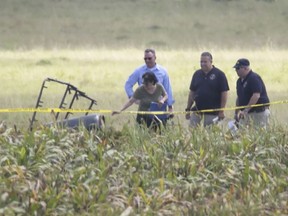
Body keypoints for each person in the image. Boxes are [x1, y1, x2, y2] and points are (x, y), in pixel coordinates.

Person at [185, 52, 229, 127]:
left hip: (213, 111)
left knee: (210, 133)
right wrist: (188, 108)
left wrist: (221, 110)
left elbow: (224, 93)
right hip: (198, 109)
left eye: (205, 62)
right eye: (201, 61)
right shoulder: (197, 74)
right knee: (192, 131)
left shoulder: (219, 74)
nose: (202, 64)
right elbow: (192, 92)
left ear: (211, 62)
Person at [125, 48, 174, 114]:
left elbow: (167, 89)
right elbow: (128, 85)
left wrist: (170, 106)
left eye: (149, 58)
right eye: (145, 59)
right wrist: (134, 98)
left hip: (159, 106)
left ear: (155, 58)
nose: (147, 60)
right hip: (144, 108)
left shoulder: (163, 72)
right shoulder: (139, 71)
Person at [233, 58, 270, 128]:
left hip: (258, 112)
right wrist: (236, 112)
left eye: (238, 68)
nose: (236, 70)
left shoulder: (254, 78)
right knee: (241, 134)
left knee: (258, 134)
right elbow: (239, 97)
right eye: (235, 68)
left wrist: (246, 110)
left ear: (245, 68)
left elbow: (256, 95)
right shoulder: (239, 81)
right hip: (245, 113)